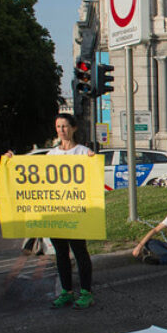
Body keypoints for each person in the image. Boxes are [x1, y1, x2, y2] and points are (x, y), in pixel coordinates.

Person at [43, 113, 96, 310]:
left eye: (65, 126)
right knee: (61, 254)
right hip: (57, 211)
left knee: (79, 252)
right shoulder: (51, 155)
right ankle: (66, 291)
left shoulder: (83, 152)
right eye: (58, 127)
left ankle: (86, 292)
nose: (61, 130)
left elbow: (92, 178)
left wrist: (93, 161)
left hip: (76, 212)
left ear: (73, 128)